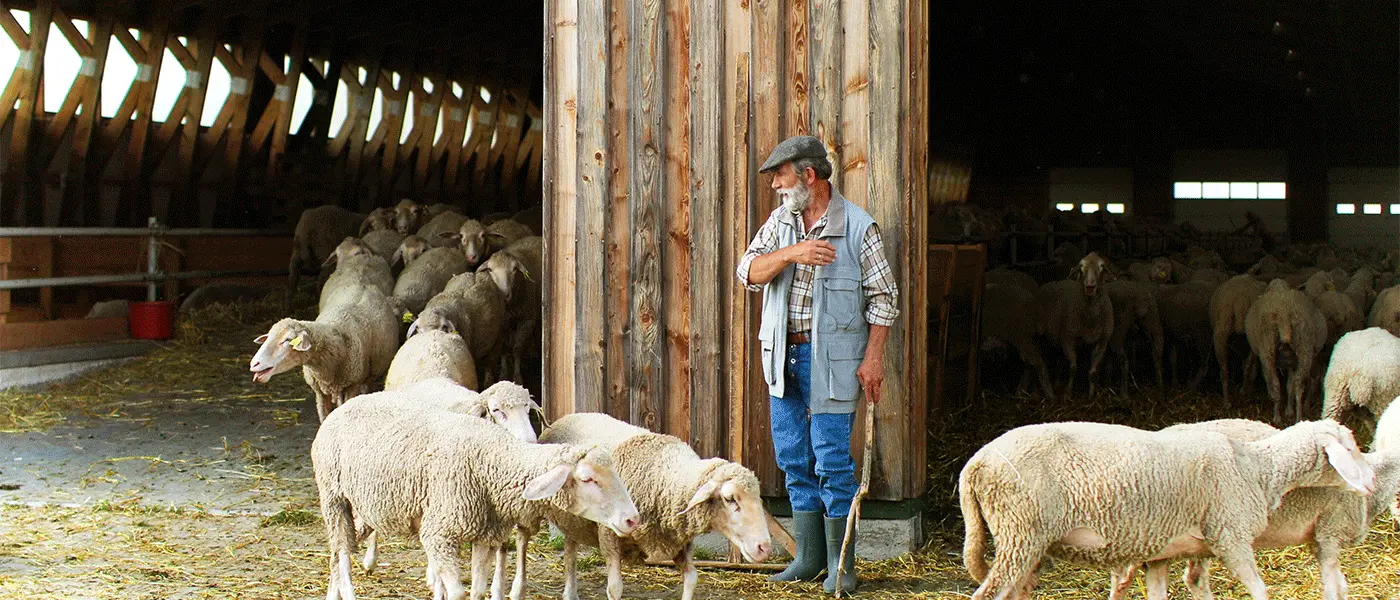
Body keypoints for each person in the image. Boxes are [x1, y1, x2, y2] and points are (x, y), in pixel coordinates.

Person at [736, 134, 900, 594]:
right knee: (793, 457)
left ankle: (840, 564)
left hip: (831, 359)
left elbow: (884, 299)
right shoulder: (781, 222)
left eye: (781, 176)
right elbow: (747, 272)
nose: (775, 185)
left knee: (831, 460)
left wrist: (873, 358)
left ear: (809, 175)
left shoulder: (859, 228)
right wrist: (793, 253)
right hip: (782, 355)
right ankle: (808, 559)